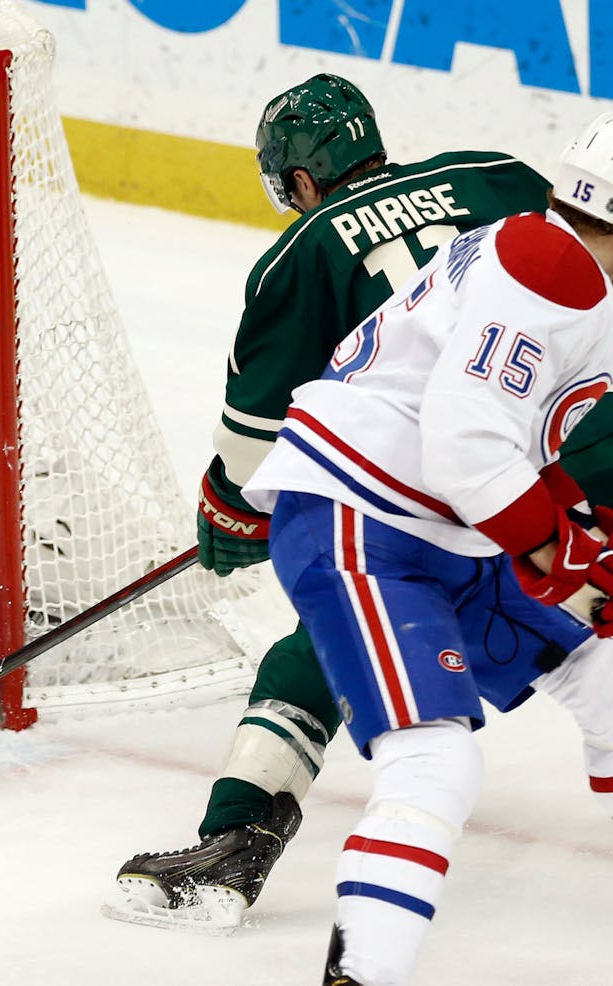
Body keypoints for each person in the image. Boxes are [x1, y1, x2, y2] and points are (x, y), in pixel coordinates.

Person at [104, 74, 613, 933]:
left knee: (322, 644)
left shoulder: (295, 256)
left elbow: (255, 440)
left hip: (449, 479)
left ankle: (235, 842)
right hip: (572, 435)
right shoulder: (496, 174)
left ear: (299, 182)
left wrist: (231, 516)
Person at [240, 110, 613, 986]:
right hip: (362, 524)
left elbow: (516, 439)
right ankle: (361, 976)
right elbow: (466, 442)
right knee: (436, 759)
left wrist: (567, 530)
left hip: (440, 520)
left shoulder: (565, 258)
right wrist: (562, 550)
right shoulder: (551, 268)